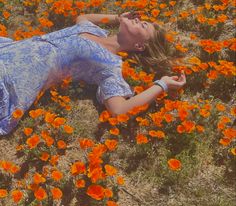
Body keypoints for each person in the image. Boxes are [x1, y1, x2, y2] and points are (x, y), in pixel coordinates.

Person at [0, 11, 186, 135]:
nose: (138, 19)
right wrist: (117, 17)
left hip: (13, 78)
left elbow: (118, 109)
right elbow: (82, 17)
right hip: (8, 51)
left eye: (143, 25)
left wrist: (162, 85)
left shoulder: (109, 64)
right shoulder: (93, 29)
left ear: (139, 46)